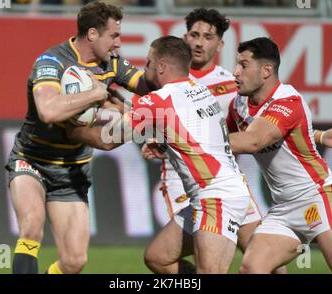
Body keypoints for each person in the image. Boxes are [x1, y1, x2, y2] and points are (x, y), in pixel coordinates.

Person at [142, 8, 332, 274]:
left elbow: (257, 135)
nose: (198, 42)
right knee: (235, 266)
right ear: (184, 38)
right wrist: (163, 141)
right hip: (188, 182)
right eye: (194, 35)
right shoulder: (169, 80)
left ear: (219, 44)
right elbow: (227, 129)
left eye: (207, 37)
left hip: (256, 189)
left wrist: (319, 135)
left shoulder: (238, 88)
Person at [68, 35, 252, 273]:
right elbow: (193, 132)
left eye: (149, 63)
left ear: (162, 66)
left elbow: (105, 141)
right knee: (158, 257)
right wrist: (165, 144)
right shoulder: (198, 91)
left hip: (217, 197)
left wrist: (71, 131)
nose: (145, 70)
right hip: (214, 193)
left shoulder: (160, 101)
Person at [5, 1, 147, 274]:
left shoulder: (112, 64)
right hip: (32, 160)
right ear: (92, 34)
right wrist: (95, 95)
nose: (118, 43)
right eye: (114, 35)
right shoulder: (52, 61)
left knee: (74, 262)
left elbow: (148, 85)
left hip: (73, 168)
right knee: (32, 227)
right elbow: (48, 111)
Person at [226, 37, 332, 273]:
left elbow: (253, 141)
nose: (235, 72)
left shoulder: (288, 101)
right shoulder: (238, 105)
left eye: (243, 65)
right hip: (284, 207)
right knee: (252, 269)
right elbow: (229, 141)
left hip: (318, 196)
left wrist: (192, 140)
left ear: (266, 70)